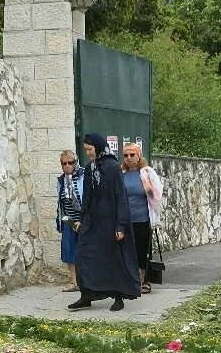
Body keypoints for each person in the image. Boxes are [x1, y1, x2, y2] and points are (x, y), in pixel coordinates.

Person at [68, 134, 140, 312]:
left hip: (110, 222)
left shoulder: (113, 167)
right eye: (85, 150)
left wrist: (120, 226)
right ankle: (86, 295)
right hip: (93, 222)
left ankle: (118, 296)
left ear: (98, 148)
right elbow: (87, 197)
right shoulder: (90, 167)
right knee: (84, 255)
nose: (88, 153)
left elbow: (120, 197)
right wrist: (82, 220)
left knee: (113, 258)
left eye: (90, 149)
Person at [121, 143, 163, 294]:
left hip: (143, 219)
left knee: (142, 251)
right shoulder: (122, 173)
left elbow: (156, 195)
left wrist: (156, 217)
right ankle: (131, 280)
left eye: (132, 155)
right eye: (126, 155)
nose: (129, 158)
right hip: (126, 220)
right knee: (127, 251)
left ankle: (143, 281)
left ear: (139, 156)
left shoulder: (146, 173)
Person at [56, 150, 85, 292]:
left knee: (86, 250)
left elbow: (88, 199)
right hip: (69, 219)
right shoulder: (61, 180)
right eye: (64, 163)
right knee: (69, 250)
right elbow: (60, 202)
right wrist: (64, 219)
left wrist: (83, 219)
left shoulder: (84, 176)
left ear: (76, 162)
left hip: (84, 220)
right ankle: (74, 282)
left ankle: (87, 281)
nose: (67, 166)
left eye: (70, 162)